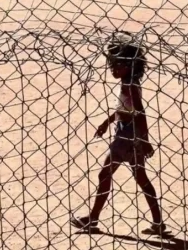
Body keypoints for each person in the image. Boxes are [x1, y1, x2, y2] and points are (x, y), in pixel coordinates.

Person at [71, 32, 167, 235]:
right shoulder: (128, 83)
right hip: (129, 135)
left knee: (104, 174)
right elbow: (124, 110)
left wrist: (145, 140)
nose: (113, 69)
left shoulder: (130, 85)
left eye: (118, 64)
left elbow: (139, 113)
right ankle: (158, 223)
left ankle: (93, 219)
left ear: (130, 65)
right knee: (141, 178)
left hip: (126, 137)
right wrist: (107, 122)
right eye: (112, 64)